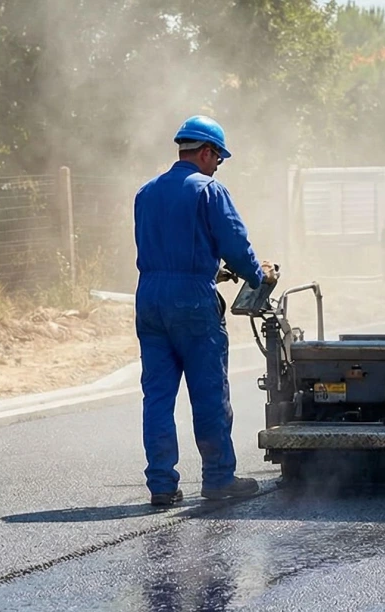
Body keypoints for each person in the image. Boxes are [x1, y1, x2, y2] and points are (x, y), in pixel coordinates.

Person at [132, 115, 275, 508]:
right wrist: (256, 274)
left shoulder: (145, 193)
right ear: (207, 152)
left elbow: (163, 245)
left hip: (149, 298)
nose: (218, 165)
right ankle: (218, 478)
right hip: (192, 301)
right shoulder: (208, 190)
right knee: (209, 391)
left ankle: (161, 484)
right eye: (218, 158)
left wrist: (207, 266)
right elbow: (234, 241)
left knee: (157, 396)